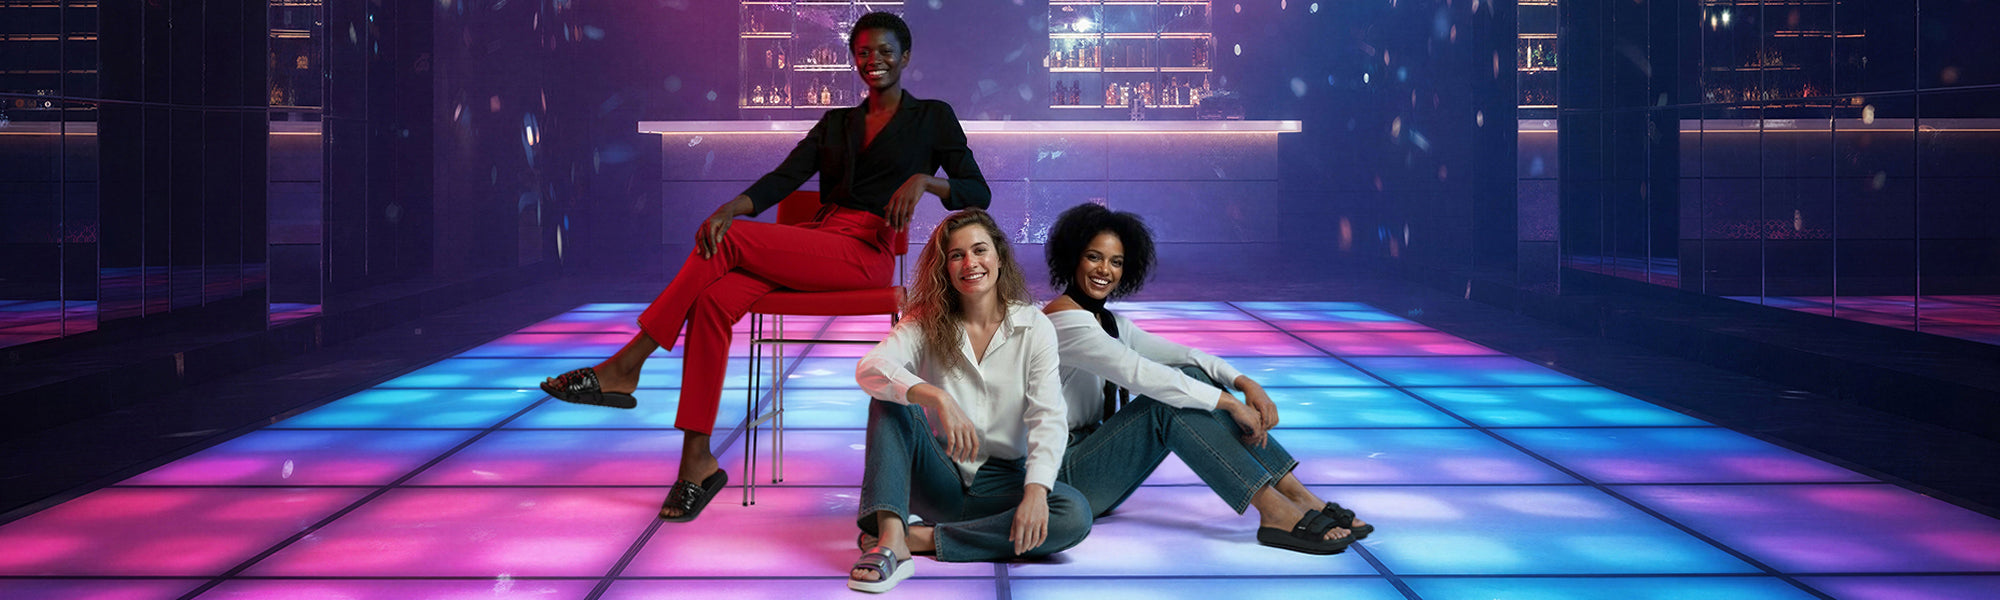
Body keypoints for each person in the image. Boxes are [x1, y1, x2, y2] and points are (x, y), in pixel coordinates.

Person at [538, 12, 991, 523]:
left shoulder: (932, 116)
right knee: (711, 300)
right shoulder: (836, 123)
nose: (874, 61)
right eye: (863, 52)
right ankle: (696, 464)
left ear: (905, 57)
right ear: (853, 59)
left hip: (864, 254)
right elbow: (783, 178)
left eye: (885, 51)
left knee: (727, 241)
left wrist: (925, 182)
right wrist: (733, 206)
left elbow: (978, 191)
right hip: (815, 240)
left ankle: (626, 365)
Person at [1041, 203, 1374, 555]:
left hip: (1094, 457)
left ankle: (1297, 494)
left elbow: (1186, 357)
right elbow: (1141, 375)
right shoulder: (1064, 323)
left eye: (1116, 261)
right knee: (1168, 402)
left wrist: (1245, 383)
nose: (1105, 270)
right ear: (1073, 257)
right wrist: (1229, 402)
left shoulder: (1106, 321)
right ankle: (1274, 511)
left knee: (1193, 377)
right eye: (1094, 257)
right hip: (1062, 477)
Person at [848, 209, 1091, 593]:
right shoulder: (924, 321)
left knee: (1072, 513)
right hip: (936, 477)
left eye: (980, 250)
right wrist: (935, 395)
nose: (970, 263)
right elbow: (871, 367)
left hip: (1000, 481)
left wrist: (1035, 492)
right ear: (944, 267)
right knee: (889, 397)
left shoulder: (1034, 326)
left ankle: (922, 539)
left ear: (999, 257)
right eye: (956, 255)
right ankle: (893, 539)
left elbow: (1049, 416)